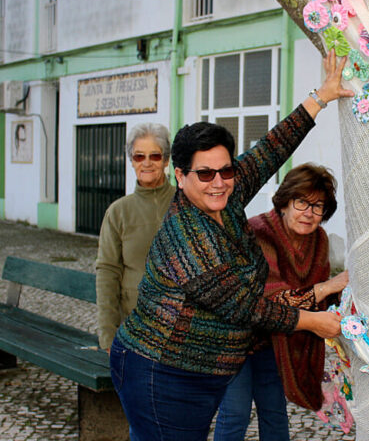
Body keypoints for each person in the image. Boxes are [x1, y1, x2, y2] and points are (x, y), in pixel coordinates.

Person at [109, 50, 354, 441]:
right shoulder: (187, 237)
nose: (219, 181)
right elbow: (245, 307)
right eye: (205, 173)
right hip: (162, 370)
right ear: (181, 175)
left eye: (225, 170)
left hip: (205, 369)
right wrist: (313, 320)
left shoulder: (226, 192)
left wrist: (320, 97)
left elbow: (271, 148)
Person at [214, 163, 349, 441]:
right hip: (235, 336)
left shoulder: (319, 239)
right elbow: (274, 300)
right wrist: (327, 287)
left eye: (318, 206)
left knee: (275, 411)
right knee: (236, 413)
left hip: (276, 340)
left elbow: (318, 302)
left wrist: (343, 297)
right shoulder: (258, 232)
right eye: (302, 202)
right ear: (285, 201)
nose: (309, 213)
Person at [95, 123, 175, 351]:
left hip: (182, 332)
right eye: (139, 156)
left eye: (155, 156)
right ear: (131, 160)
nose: (147, 163)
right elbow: (107, 273)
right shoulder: (118, 212)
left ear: (166, 160)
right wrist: (108, 336)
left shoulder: (185, 204)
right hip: (134, 329)